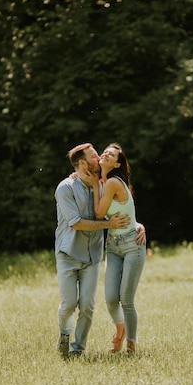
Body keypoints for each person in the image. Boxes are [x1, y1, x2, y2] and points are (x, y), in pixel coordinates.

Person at [54, 143, 145, 359]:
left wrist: (137, 225)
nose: (100, 157)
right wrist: (109, 224)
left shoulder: (103, 183)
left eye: (102, 154)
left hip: (96, 254)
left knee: (88, 305)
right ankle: (64, 334)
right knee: (69, 304)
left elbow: (121, 208)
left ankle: (78, 350)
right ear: (84, 163)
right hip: (69, 253)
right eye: (96, 155)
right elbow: (79, 222)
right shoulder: (67, 188)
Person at [86, 143, 146, 355]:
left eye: (110, 154)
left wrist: (94, 186)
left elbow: (100, 213)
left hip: (132, 245)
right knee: (111, 298)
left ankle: (131, 344)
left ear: (117, 163)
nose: (105, 154)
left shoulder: (111, 182)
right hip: (113, 246)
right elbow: (126, 211)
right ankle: (119, 330)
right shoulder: (105, 181)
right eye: (105, 152)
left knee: (126, 299)